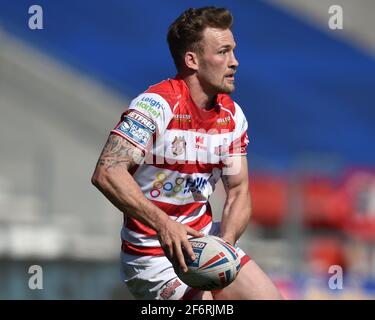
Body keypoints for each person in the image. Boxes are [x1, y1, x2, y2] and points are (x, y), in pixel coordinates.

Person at [91, 6, 282, 300]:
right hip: (153, 258)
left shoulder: (232, 115)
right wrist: (164, 225)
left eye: (234, 51)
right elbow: (107, 171)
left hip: (204, 241)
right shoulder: (155, 106)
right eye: (223, 52)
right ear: (192, 59)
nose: (235, 62)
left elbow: (239, 189)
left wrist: (225, 246)